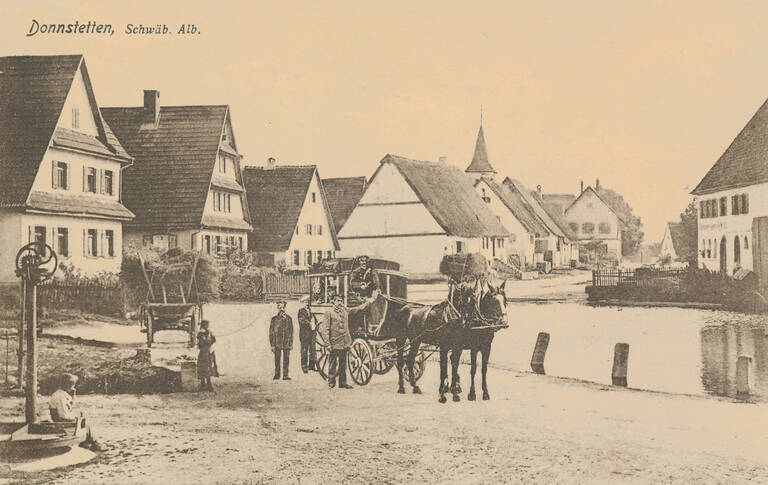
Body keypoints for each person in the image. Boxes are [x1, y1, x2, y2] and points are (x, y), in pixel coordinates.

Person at [49, 373, 103, 451]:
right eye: (73, 385)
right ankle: (94, 443)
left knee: (82, 419)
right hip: (60, 422)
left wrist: (74, 395)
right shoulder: (60, 397)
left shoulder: (60, 394)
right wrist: (76, 417)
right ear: (69, 385)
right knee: (85, 423)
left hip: (60, 420)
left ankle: (85, 442)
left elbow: (70, 405)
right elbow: (63, 415)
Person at [324, 294, 353, 389]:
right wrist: (327, 344)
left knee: (343, 364)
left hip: (344, 342)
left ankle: (343, 383)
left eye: (341, 301)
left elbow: (356, 310)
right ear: (333, 301)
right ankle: (331, 383)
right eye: (338, 301)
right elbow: (326, 329)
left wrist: (369, 302)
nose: (340, 303)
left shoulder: (345, 311)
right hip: (334, 342)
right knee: (332, 364)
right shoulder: (329, 312)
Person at [269, 301, 293, 380]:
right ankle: (277, 375)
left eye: (283, 307)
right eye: (280, 308)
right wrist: (272, 345)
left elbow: (291, 331)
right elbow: (271, 332)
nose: (282, 309)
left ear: (285, 308)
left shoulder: (289, 319)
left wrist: (291, 343)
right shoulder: (274, 319)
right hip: (277, 342)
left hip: (286, 342)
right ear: (277, 308)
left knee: (286, 359)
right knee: (277, 359)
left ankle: (285, 375)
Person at [197, 320, 218, 391]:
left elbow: (214, 340)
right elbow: (203, 342)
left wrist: (211, 337)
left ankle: (205, 384)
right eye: (207, 325)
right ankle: (207, 384)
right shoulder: (201, 333)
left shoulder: (208, 332)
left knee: (209, 366)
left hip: (209, 351)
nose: (208, 326)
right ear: (204, 325)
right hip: (204, 352)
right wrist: (210, 340)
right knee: (205, 367)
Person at [297, 297, 316, 373]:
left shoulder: (311, 311)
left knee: (312, 350)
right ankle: (304, 366)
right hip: (304, 334)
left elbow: (314, 319)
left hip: (311, 334)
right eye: (305, 302)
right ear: (302, 303)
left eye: (307, 302)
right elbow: (302, 321)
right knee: (304, 350)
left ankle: (311, 366)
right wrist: (310, 324)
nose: (307, 303)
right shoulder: (301, 311)